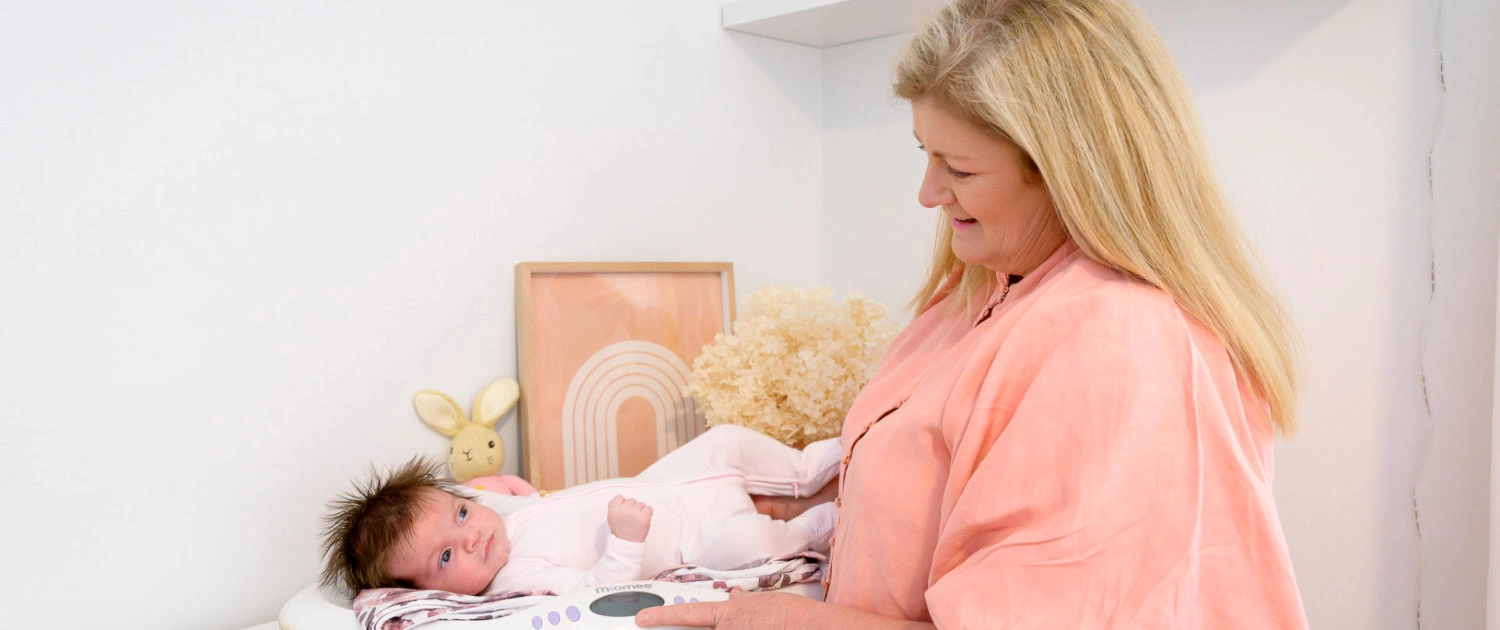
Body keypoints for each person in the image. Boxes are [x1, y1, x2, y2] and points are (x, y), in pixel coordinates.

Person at [636, 0, 1308, 627]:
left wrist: (783, 619)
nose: (929, 192)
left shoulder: (1122, 341)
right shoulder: (977, 292)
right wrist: (811, 506)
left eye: (958, 167)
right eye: (924, 154)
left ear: (1068, 170)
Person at [319, 424, 840, 597]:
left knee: (725, 437)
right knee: (747, 546)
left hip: (669, 479)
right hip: (691, 533)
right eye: (446, 559)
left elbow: (458, 492)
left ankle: (821, 462)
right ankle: (818, 527)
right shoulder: (517, 577)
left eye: (459, 517)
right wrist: (625, 538)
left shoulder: (491, 513)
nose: (471, 536)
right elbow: (600, 590)